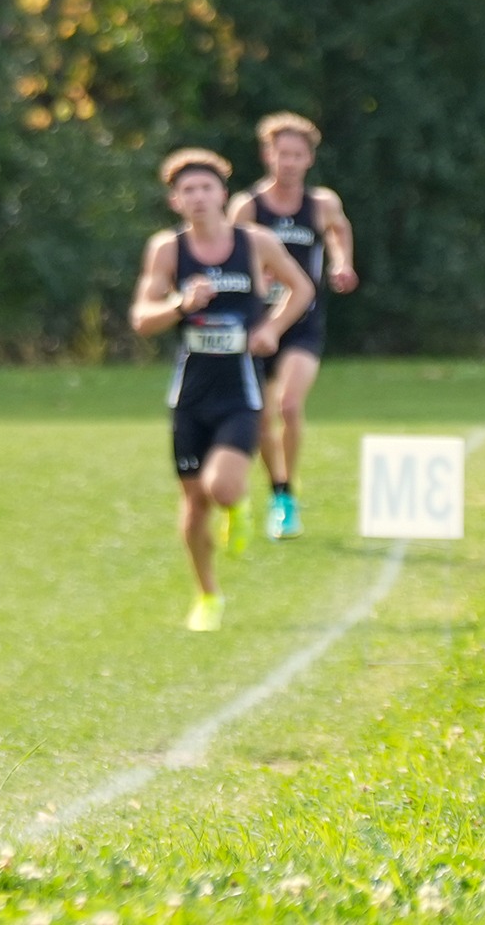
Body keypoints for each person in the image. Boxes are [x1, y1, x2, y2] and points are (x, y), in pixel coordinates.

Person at [130, 148, 313, 631]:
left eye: (206, 187)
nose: (198, 196)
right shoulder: (167, 250)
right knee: (192, 507)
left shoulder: (253, 242)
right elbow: (142, 319)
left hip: (240, 391)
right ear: (175, 201)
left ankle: (240, 503)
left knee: (221, 486)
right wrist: (178, 304)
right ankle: (207, 596)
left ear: (222, 195)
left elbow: (302, 288)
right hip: (190, 395)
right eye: (187, 190)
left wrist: (272, 328)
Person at [226, 113, 357, 540]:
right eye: (282, 154)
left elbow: (338, 232)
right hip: (258, 323)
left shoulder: (321, 204)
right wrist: (254, 277)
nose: (288, 163)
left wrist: (341, 264)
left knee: (289, 406)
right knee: (261, 416)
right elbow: (230, 251)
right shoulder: (248, 206)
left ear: (309, 159)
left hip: (302, 320)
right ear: (268, 156)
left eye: (297, 155)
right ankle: (277, 489)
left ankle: (289, 494)